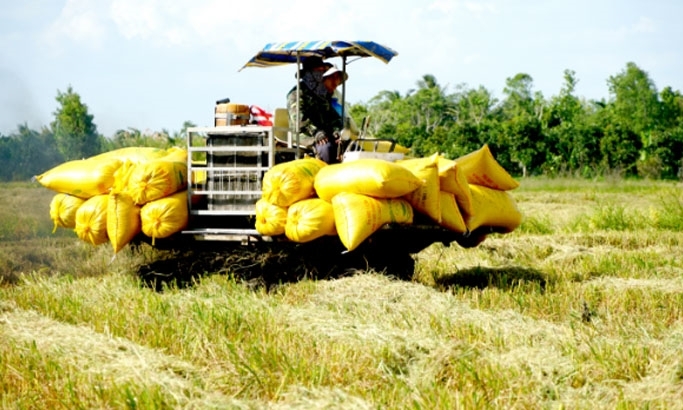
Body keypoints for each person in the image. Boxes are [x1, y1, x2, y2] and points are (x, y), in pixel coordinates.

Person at [286, 59, 347, 164]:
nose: (321, 74)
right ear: (309, 74)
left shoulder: (322, 95)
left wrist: (337, 131)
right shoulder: (296, 94)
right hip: (304, 134)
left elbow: (333, 117)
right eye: (319, 71)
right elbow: (299, 120)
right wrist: (316, 132)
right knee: (326, 149)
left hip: (324, 134)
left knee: (349, 145)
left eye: (323, 71)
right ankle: (327, 176)